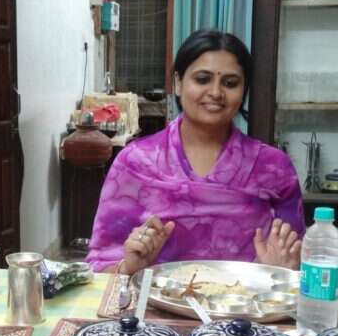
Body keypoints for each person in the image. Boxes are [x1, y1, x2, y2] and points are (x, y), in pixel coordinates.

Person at [86, 30, 305, 275]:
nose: (216, 92)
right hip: (153, 299)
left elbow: (296, 264)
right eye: (202, 79)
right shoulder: (135, 162)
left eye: (230, 83)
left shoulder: (274, 168)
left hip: (248, 299)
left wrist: (282, 271)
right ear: (178, 83)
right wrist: (129, 266)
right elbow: (99, 267)